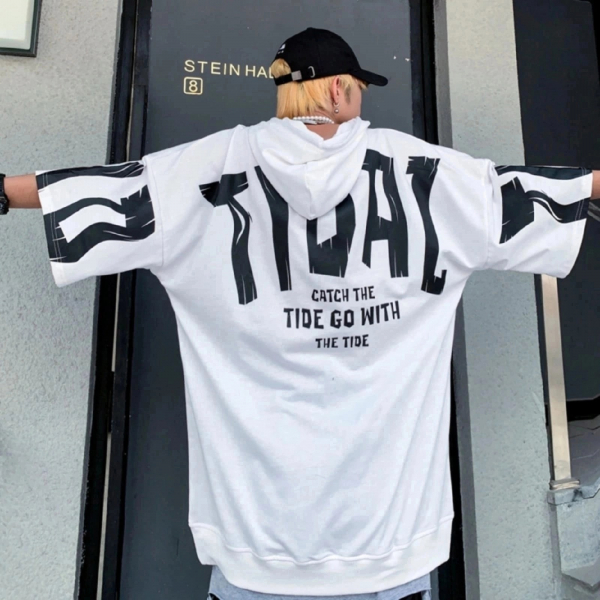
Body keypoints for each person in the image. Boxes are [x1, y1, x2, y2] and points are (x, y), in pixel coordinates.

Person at [2, 26, 598, 600]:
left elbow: (106, 189)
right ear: (338, 89)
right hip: (390, 543)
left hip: (254, 546)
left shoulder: (208, 167)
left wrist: (4, 189)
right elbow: (519, 190)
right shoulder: (425, 172)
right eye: (358, 88)